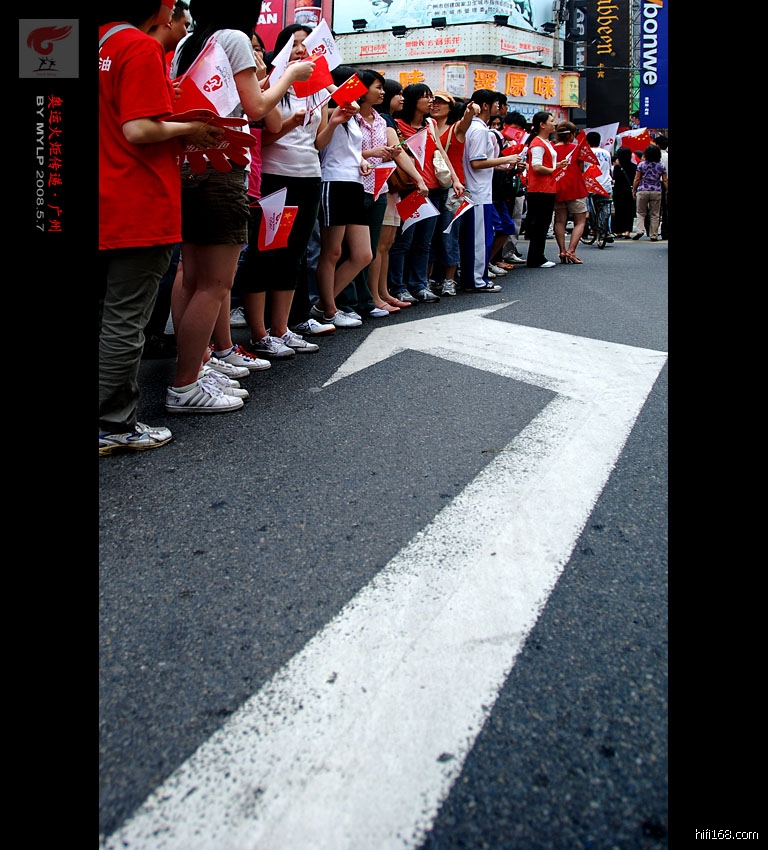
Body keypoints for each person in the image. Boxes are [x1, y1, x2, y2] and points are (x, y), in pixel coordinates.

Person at [166, 2, 317, 411]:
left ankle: (196, 369)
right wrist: (289, 76)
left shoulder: (188, 43)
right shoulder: (233, 38)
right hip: (223, 165)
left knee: (190, 277)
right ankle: (185, 385)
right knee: (215, 284)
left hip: (188, 164)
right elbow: (256, 109)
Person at [99, 0, 230, 453]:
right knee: (124, 318)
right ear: (160, 9)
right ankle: (113, 423)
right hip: (136, 201)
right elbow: (138, 130)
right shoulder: (137, 45)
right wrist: (188, 129)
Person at [239, 23, 336, 349]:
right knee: (266, 252)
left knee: (293, 253)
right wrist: (290, 122)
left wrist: (335, 121)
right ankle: (259, 334)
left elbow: (317, 142)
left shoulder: (320, 90)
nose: (301, 50)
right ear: (280, 50)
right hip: (275, 177)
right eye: (294, 44)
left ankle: (281, 329)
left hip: (309, 176)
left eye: (307, 45)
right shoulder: (269, 84)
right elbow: (262, 139)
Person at [309, 67, 373, 328]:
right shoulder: (326, 109)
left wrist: (362, 161)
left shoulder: (353, 116)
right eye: (353, 84)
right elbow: (320, 145)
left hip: (354, 183)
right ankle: (329, 309)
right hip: (332, 182)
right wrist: (334, 112)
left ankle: (321, 304)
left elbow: (351, 150)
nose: (359, 90)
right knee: (332, 251)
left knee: (363, 254)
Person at [388, 83, 463, 304]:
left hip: (434, 190)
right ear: (413, 100)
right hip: (411, 190)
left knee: (424, 243)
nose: (430, 101)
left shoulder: (430, 123)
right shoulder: (397, 125)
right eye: (426, 96)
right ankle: (398, 286)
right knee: (404, 242)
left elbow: (441, 152)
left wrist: (455, 179)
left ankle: (419, 285)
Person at [367, 79, 426, 310]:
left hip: (388, 188)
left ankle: (382, 293)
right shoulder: (385, 120)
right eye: (397, 93)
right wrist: (418, 178)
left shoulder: (385, 120)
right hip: (384, 186)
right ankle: (376, 295)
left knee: (386, 244)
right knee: (381, 245)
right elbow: (398, 152)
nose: (402, 98)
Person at [459, 89, 522, 291]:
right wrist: (507, 158)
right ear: (485, 105)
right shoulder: (479, 130)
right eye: (496, 104)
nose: (499, 107)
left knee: (478, 238)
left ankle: (474, 278)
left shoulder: (474, 127)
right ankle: (476, 280)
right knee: (479, 240)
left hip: (478, 190)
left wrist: (502, 164)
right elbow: (477, 162)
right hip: (477, 192)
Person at [429, 91, 477, 296]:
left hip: (453, 189)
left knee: (449, 235)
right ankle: (427, 279)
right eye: (433, 102)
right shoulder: (427, 127)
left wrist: (470, 111)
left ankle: (449, 280)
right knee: (430, 236)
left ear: (451, 107)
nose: (435, 105)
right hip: (431, 185)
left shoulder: (456, 128)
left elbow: (466, 121)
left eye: (441, 102)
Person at [524, 111, 568, 268]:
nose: (554, 123)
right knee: (540, 224)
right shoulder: (537, 143)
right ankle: (536, 258)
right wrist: (554, 169)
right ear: (542, 125)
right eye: (551, 121)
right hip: (540, 189)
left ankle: (537, 256)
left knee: (543, 223)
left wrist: (557, 166)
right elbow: (537, 167)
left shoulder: (546, 142)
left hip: (547, 188)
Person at [552, 121, 589, 264]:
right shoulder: (577, 149)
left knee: (559, 221)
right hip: (575, 188)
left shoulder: (552, 148)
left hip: (558, 187)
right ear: (572, 135)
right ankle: (571, 251)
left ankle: (562, 250)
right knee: (580, 221)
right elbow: (581, 168)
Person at [500, 111, 529, 265]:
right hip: (499, 190)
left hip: (515, 186)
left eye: (520, 129)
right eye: (515, 128)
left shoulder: (517, 145)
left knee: (514, 220)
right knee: (504, 224)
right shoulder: (497, 140)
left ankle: (509, 251)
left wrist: (517, 168)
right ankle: (497, 257)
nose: (517, 132)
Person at [632, 144, 668, 241]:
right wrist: (666, 190)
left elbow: (637, 179)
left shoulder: (641, 165)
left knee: (641, 212)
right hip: (656, 190)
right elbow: (665, 180)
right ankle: (654, 234)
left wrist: (634, 189)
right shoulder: (661, 165)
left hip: (643, 190)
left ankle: (640, 230)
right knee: (655, 214)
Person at [585, 130, 614, 243]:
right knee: (606, 210)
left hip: (591, 185)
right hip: (605, 184)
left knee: (589, 207)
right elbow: (609, 170)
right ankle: (607, 231)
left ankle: (593, 227)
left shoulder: (586, 153)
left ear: (587, 141)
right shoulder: (606, 153)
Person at [612, 146, 637, 238]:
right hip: (629, 191)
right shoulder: (634, 167)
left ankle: (619, 231)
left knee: (619, 211)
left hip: (618, 191)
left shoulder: (617, 168)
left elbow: (615, 178)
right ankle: (627, 231)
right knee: (629, 211)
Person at [654, 134, 669, 240]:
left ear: (658, 145)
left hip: (656, 184)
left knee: (655, 210)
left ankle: (653, 231)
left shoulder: (654, 158)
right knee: (666, 209)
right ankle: (665, 231)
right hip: (666, 184)